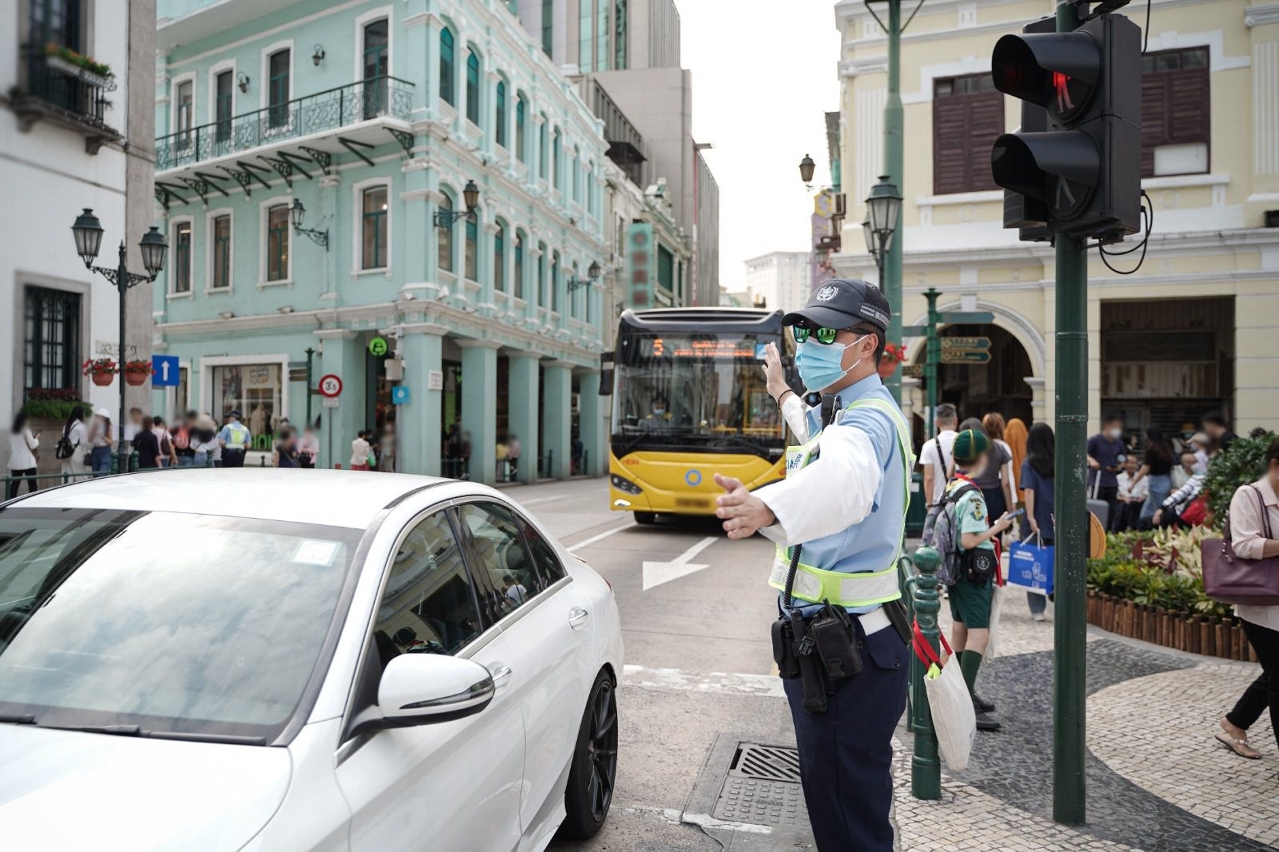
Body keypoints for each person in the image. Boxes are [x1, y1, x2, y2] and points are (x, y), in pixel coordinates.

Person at [713, 279, 913, 852]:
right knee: (840, 804)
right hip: (841, 646)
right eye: (804, 332)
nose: (808, 345)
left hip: (848, 653)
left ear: (867, 345)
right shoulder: (846, 411)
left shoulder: (868, 423)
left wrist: (767, 506)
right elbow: (816, 435)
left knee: (847, 820)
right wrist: (780, 390)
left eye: (827, 334)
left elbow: (844, 477)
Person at [946, 429, 1016, 730]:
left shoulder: (953, 485)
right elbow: (969, 539)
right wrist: (997, 527)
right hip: (972, 572)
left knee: (960, 629)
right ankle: (963, 705)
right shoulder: (973, 495)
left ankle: (962, 693)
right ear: (981, 459)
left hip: (956, 571)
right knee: (979, 634)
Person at [1215, 437, 1279, 761]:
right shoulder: (1249, 495)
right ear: (1275, 465)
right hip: (1262, 607)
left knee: (1275, 673)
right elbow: (1243, 545)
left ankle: (1236, 722)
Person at [1020, 422, 1056, 620]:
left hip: (1037, 518)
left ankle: (1037, 610)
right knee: (1056, 560)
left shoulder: (1029, 463)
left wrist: (1031, 517)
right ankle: (1055, 591)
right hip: (1055, 517)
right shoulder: (1059, 461)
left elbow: (1029, 490)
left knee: (1034, 562)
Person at [974, 414, 1016, 537]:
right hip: (995, 497)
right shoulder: (1001, 448)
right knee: (995, 534)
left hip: (976, 493)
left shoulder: (976, 447)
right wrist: (1010, 511)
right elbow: (1006, 482)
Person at [920, 403, 959, 532]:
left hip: (939, 503)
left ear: (936, 422)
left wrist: (929, 505)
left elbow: (929, 479)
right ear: (955, 420)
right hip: (961, 501)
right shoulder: (963, 441)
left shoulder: (929, 446)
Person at [1130, 426, 1174, 527]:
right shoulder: (1167, 448)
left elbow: (1145, 468)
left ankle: (1162, 528)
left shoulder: (1152, 450)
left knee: (1160, 509)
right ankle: (1142, 524)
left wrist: (1133, 483)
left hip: (1156, 482)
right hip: (1166, 480)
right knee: (1148, 508)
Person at [1088, 414, 1127, 524]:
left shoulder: (1118, 443)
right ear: (1107, 426)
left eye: (1119, 428)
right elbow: (1084, 453)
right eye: (1115, 427)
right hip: (1097, 480)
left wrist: (1117, 467)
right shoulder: (1095, 440)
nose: (1118, 430)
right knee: (1096, 508)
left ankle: (1109, 530)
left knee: (1111, 510)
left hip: (1112, 481)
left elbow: (1123, 459)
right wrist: (1092, 461)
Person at [8, 412, 40, 499]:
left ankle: (11, 501)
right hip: (27, 461)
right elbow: (33, 445)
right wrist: (36, 439)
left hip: (15, 461)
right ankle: (33, 501)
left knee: (15, 485)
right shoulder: (26, 430)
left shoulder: (12, 431)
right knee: (32, 485)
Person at [1113, 456, 1148, 533]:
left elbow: (1146, 492)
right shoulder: (1118, 478)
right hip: (1124, 502)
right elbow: (1116, 495)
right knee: (1122, 507)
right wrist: (1124, 498)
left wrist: (1141, 498)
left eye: (1135, 463)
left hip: (1138, 502)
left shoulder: (1143, 478)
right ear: (1125, 464)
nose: (1133, 466)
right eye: (1131, 463)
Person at [60, 405, 90, 482]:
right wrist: (87, 451)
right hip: (77, 452)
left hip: (66, 453)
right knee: (81, 477)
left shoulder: (66, 426)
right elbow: (84, 442)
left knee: (67, 476)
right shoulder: (80, 426)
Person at [88, 408, 113, 476]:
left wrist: (102, 436)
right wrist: (93, 431)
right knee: (95, 472)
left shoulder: (108, 427)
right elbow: (89, 439)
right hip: (95, 449)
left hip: (105, 450)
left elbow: (111, 442)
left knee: (102, 472)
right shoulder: (94, 426)